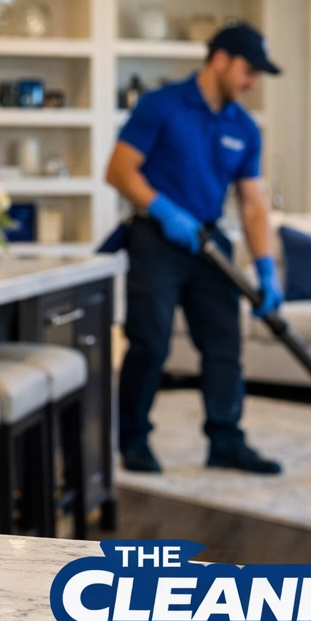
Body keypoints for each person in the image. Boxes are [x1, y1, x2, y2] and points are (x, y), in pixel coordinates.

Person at [104, 24, 285, 476]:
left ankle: (225, 440)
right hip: (157, 236)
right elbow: (120, 171)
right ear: (220, 59)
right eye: (248, 71)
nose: (252, 83)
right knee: (150, 342)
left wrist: (266, 268)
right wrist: (163, 209)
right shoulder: (161, 105)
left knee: (224, 345)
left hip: (208, 241)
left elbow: (252, 202)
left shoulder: (243, 127)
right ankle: (133, 439)